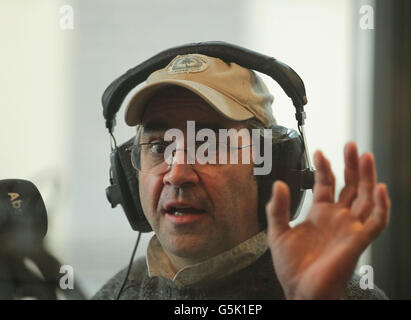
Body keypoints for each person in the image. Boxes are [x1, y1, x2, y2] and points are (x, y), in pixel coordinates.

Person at [93, 53, 390, 300]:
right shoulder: (118, 293)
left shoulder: (336, 294)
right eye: (159, 147)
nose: (179, 174)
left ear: (271, 169)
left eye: (210, 146)